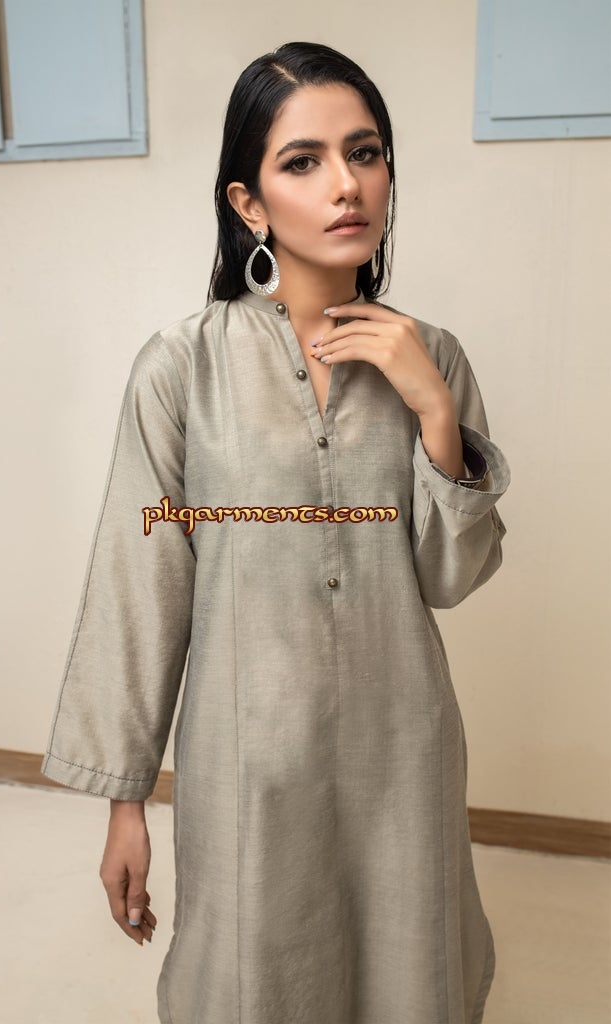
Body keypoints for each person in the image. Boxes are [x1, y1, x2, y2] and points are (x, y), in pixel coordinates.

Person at [42, 41, 510, 1024]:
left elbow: (448, 575)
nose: (345, 184)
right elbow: (140, 587)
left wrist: (432, 410)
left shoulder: (433, 356)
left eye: (364, 152)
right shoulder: (183, 368)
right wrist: (124, 802)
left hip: (403, 748)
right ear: (248, 203)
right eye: (303, 161)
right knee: (258, 978)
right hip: (247, 756)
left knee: (406, 969)